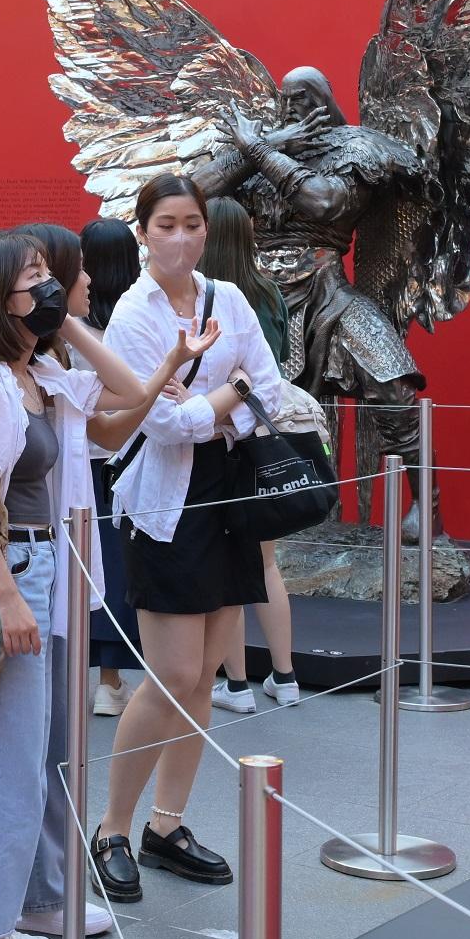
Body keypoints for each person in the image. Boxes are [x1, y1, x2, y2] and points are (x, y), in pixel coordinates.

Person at [0, 231, 164, 939]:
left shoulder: (31, 375)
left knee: (8, 762)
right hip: (15, 568)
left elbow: (124, 397)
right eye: (35, 279)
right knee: (5, 767)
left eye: (52, 277)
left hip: (37, 565)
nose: (51, 287)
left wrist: (67, 325)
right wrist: (8, 594)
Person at [91, 175, 308, 901]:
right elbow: (163, 424)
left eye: (191, 225)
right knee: (172, 676)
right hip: (165, 507)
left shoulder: (232, 299)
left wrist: (218, 402)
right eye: (166, 226)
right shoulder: (132, 314)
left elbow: (273, 388)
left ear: (205, 231)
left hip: (230, 500)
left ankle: (166, 825)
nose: (180, 238)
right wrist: (229, 394)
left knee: (209, 672)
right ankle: (112, 829)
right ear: (143, 232)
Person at [4, 221, 194, 939]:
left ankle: (40, 896)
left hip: (64, 565)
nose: (86, 287)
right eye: (70, 278)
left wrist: (165, 366)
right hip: (37, 570)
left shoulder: (50, 371)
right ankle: (26, 902)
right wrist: (71, 321)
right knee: (33, 753)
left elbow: (115, 421)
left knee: (56, 747)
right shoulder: (10, 373)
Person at [200, 195, 301, 714]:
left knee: (229, 566)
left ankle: (236, 685)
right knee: (266, 562)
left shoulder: (200, 299)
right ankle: (285, 677)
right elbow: (279, 366)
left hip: (219, 444)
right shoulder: (267, 292)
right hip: (264, 440)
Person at [77, 218, 144, 717]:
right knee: (118, 568)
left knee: (86, 565)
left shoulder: (74, 326)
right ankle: (110, 678)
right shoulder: (137, 318)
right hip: (130, 461)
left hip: (81, 463)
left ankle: (91, 673)